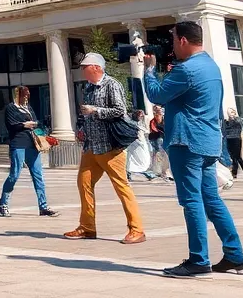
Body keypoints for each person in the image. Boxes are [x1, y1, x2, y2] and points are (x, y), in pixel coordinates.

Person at [142, 20, 243, 278]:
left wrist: (148, 70)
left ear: (182, 41)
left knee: (192, 201)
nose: (172, 47)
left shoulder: (186, 70)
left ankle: (199, 260)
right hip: (209, 141)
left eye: (174, 40)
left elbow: (156, 95)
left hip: (187, 141)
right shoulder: (211, 66)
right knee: (211, 199)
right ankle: (236, 256)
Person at [62, 52, 146, 244]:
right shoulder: (88, 88)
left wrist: (96, 110)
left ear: (97, 68)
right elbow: (85, 115)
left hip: (110, 147)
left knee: (121, 186)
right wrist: (81, 129)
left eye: (85, 67)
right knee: (83, 185)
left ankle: (137, 229)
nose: (82, 70)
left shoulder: (111, 84)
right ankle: (87, 227)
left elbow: (120, 110)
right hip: (91, 146)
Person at [0, 85, 59, 217]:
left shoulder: (28, 108)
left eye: (27, 95)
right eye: (24, 95)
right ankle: (3, 203)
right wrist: (23, 125)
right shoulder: (11, 108)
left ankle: (43, 206)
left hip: (32, 144)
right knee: (14, 174)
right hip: (18, 143)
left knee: (38, 175)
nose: (26, 98)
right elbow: (10, 125)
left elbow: (37, 123)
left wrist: (44, 135)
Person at [125, 109, 155, 181]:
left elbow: (146, 132)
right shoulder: (131, 123)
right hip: (133, 144)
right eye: (139, 115)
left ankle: (146, 173)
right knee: (133, 160)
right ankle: (129, 173)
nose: (141, 116)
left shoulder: (141, 123)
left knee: (144, 159)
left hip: (141, 143)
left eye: (142, 115)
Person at [222, 109, 243, 178]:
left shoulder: (238, 120)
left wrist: (233, 119)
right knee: (233, 157)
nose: (230, 114)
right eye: (229, 112)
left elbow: (239, 125)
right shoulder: (226, 122)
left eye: (232, 112)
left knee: (238, 156)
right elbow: (225, 128)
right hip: (229, 140)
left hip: (236, 139)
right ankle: (234, 173)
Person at [149, 105, 172, 180]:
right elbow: (153, 130)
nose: (160, 111)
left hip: (163, 138)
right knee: (161, 155)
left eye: (160, 109)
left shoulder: (165, 119)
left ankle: (164, 172)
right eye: (158, 110)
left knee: (164, 155)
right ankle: (162, 172)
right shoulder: (153, 120)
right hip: (158, 138)